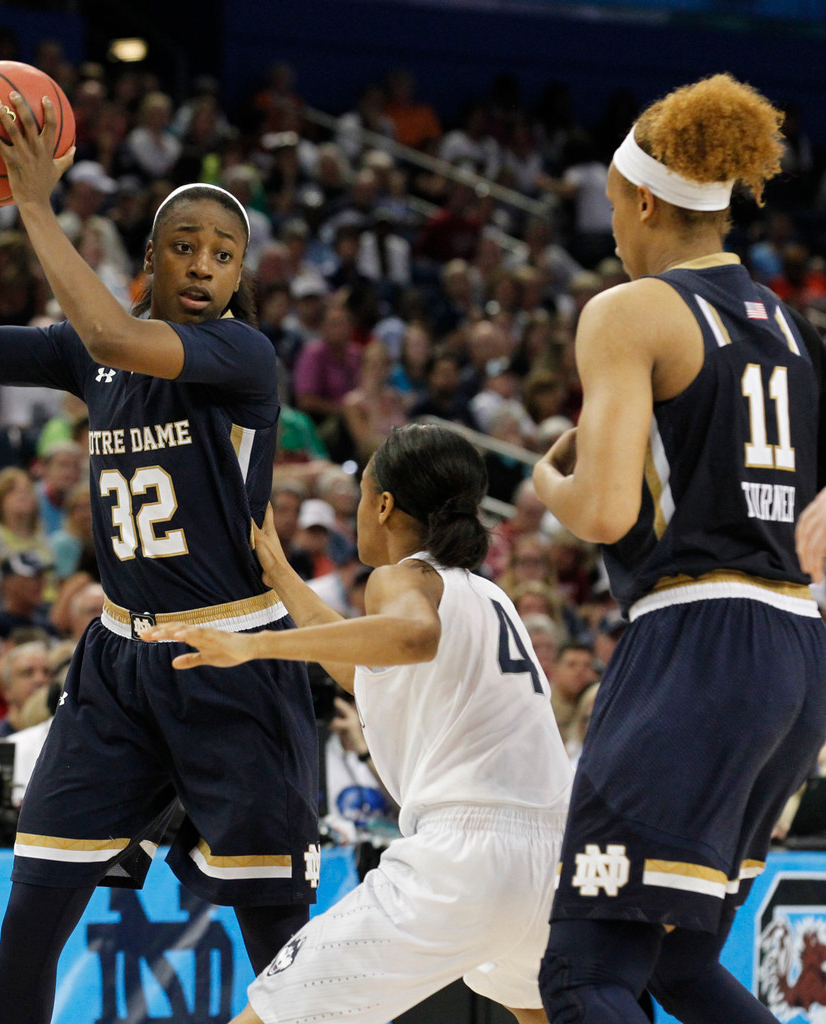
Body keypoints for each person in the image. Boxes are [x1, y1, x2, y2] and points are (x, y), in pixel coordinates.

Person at [0, 92, 318, 1023]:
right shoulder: (87, 359)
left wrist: (34, 205)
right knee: (31, 915)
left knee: (281, 946)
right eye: (186, 246)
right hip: (117, 666)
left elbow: (109, 330)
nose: (204, 266)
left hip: (235, 662)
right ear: (151, 258)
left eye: (224, 255)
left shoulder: (240, 355)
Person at [531, 73, 826, 1024]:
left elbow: (607, 513)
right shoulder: (790, 326)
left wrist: (544, 478)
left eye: (613, 201)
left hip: (698, 641)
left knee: (583, 971)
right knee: (676, 963)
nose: (611, 223)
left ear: (645, 198)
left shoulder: (630, 311)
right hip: (795, 649)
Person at [142, 423, 572, 1024]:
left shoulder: (401, 578)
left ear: (384, 504)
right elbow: (367, 670)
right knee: (537, 1012)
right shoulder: (490, 598)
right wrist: (285, 580)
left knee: (271, 1013)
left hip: (462, 858)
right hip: (550, 861)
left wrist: (250, 649)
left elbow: (411, 635)